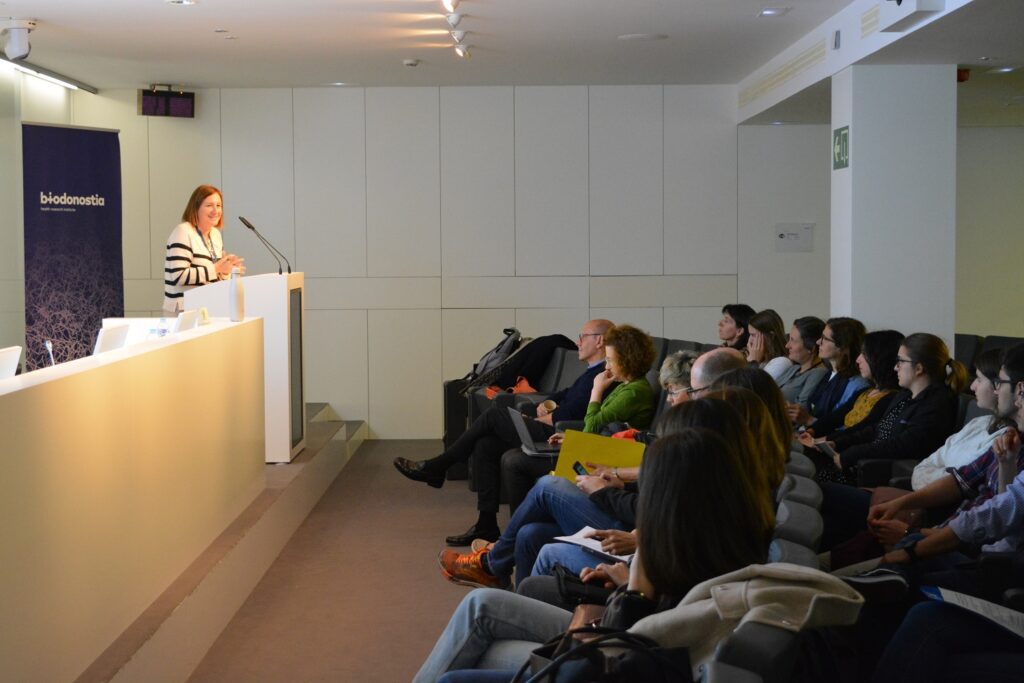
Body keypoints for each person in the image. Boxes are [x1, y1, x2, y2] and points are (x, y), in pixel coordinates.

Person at [413, 429, 769, 683]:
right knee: (489, 606)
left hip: (615, 659)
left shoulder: (682, 550)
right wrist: (625, 583)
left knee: (474, 642)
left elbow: (638, 640)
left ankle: (491, 566)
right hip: (625, 643)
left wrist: (631, 590)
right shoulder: (719, 535)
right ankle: (492, 567)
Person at [392, 320, 615, 546]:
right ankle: (486, 524)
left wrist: (541, 418)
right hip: (551, 425)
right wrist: (547, 402)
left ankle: (439, 465)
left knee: (493, 416)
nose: (578, 342)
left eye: (583, 336)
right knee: (486, 445)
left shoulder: (604, 375)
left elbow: (575, 411)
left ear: (599, 340)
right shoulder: (591, 372)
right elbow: (566, 394)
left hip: (559, 435)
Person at [500, 349, 700, 515]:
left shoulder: (634, 392)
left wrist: (596, 390)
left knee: (517, 461)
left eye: (610, 359)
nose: (606, 366)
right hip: (606, 448)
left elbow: (593, 426)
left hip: (613, 455)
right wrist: (574, 438)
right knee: (504, 452)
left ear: (627, 359)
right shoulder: (624, 387)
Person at [814, 332, 968, 486]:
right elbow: (877, 429)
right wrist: (838, 443)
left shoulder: (936, 404)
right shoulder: (905, 395)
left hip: (878, 475)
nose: (895, 368)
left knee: (816, 484)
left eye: (900, 361)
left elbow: (903, 445)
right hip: (863, 465)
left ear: (918, 368)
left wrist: (853, 454)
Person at [797, 329, 904, 441]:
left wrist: (824, 440)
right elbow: (836, 417)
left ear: (880, 358)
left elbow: (861, 429)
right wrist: (811, 431)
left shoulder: (892, 398)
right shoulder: (865, 391)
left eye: (864, 354)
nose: (858, 359)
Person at [163, 184, 245, 315]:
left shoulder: (215, 235)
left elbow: (214, 277)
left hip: (209, 307)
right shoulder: (183, 232)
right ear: (196, 207)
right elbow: (178, 276)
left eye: (218, 205)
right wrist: (217, 268)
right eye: (209, 205)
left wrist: (227, 270)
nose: (215, 210)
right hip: (184, 310)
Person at [788, 317, 869, 430]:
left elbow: (848, 429)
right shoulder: (829, 374)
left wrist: (809, 420)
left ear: (842, 346)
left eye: (825, 339)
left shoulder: (857, 384)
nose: (818, 342)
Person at [775, 316, 828, 408]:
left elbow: (801, 408)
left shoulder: (818, 373)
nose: (787, 345)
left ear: (811, 348)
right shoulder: (794, 368)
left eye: (793, 340)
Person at [745, 309, 793, 381]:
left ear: (771, 336)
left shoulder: (782, 362)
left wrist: (753, 361)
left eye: (753, 335)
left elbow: (749, 384)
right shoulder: (762, 361)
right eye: (750, 335)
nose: (750, 341)